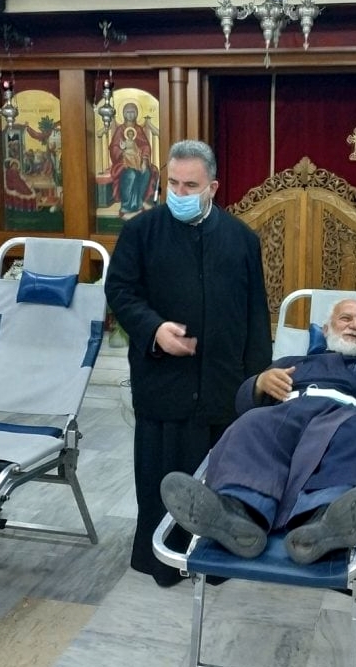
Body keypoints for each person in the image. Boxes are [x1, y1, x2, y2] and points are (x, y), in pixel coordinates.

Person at [161, 298, 356, 572]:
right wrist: (260, 383)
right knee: (252, 424)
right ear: (327, 329)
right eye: (346, 318)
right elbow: (243, 402)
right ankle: (236, 513)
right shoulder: (292, 362)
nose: (355, 325)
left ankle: (320, 522)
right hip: (286, 414)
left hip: (343, 420)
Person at [105, 139, 272, 587]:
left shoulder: (241, 239)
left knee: (219, 479)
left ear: (212, 187)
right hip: (165, 382)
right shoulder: (141, 232)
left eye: (190, 186)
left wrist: (256, 384)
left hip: (222, 383)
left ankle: (215, 561)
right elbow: (119, 290)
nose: (178, 193)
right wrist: (154, 329)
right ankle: (163, 561)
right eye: (173, 184)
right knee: (162, 476)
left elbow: (256, 315)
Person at [109, 103, 160, 218]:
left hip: (138, 161)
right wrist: (122, 152)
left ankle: (138, 203)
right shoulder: (120, 130)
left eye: (133, 112)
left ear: (136, 114)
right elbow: (114, 147)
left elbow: (145, 146)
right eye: (128, 112)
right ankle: (126, 206)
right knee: (131, 175)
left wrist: (144, 160)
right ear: (123, 114)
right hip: (123, 163)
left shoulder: (138, 129)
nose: (130, 115)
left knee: (146, 172)